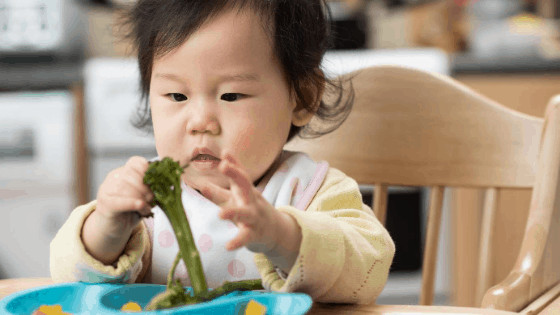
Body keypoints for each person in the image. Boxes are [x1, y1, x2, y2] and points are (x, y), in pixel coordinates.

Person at [50, 0, 395, 304]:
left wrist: (284, 236)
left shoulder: (310, 191)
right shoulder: (147, 201)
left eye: (230, 96)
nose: (200, 122)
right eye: (176, 96)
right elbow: (68, 277)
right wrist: (106, 231)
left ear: (302, 97)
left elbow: (369, 268)